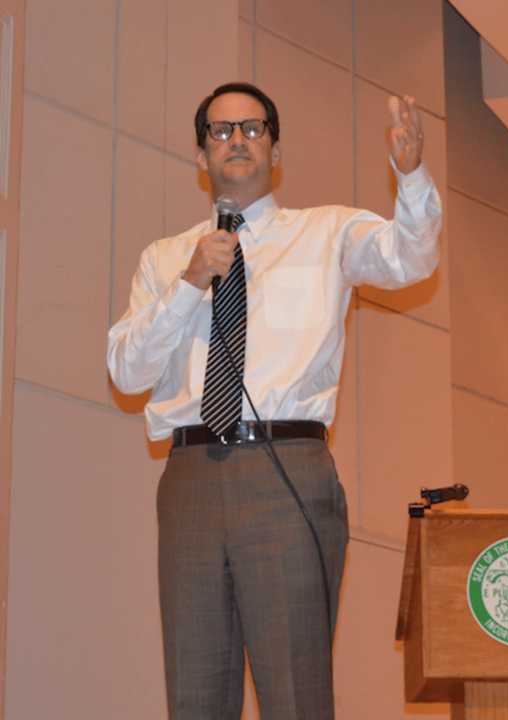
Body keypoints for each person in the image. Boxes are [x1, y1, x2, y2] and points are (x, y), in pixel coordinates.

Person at [107, 81, 441, 720]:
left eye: (252, 128)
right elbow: (126, 372)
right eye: (221, 131)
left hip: (288, 470)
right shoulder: (167, 258)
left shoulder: (326, 232)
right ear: (201, 157)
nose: (237, 140)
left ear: (276, 149)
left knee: (294, 690)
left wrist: (412, 176)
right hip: (190, 479)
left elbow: (411, 259)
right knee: (195, 690)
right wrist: (188, 285)